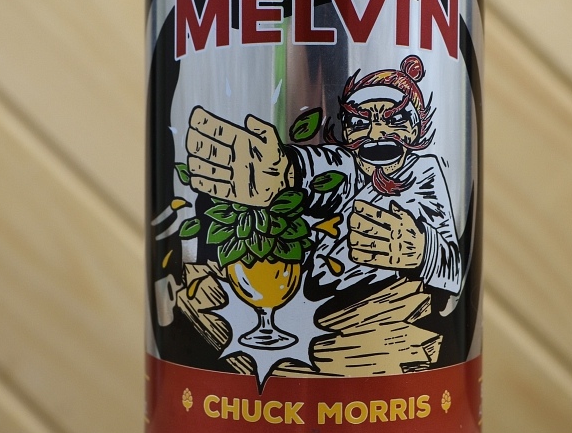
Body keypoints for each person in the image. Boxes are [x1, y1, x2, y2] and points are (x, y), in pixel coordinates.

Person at [185, 55, 466, 300]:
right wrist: (284, 170)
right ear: (347, 131)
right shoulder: (349, 166)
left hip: (385, 320)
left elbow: (455, 271)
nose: (376, 133)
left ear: (416, 129)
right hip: (313, 308)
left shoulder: (424, 174)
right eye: (360, 122)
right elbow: (319, 166)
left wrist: (421, 250)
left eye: (393, 120)